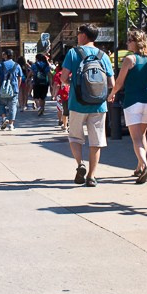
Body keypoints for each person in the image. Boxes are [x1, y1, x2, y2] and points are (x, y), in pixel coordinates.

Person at [60, 24, 114, 187]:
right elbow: (111, 82)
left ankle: (80, 164)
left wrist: (74, 83)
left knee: (75, 137)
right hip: (99, 104)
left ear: (83, 35)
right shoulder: (103, 55)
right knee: (96, 141)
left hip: (77, 103)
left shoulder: (73, 53)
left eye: (78, 33)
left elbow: (63, 77)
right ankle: (91, 175)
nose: (77, 35)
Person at [108, 30, 147, 184]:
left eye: (130, 40)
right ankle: (139, 166)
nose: (127, 43)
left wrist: (112, 93)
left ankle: (145, 165)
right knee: (142, 135)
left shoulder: (129, 59)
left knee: (136, 138)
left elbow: (119, 81)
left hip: (132, 101)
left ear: (136, 42)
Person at [0, 49, 23, 130]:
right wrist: (17, 86)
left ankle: (4, 118)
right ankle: (11, 124)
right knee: (13, 106)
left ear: (6, 55)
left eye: (4, 54)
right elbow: (20, 78)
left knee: (1, 104)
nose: (3, 55)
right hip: (13, 88)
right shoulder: (17, 65)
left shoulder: (1, 65)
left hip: (2, 88)